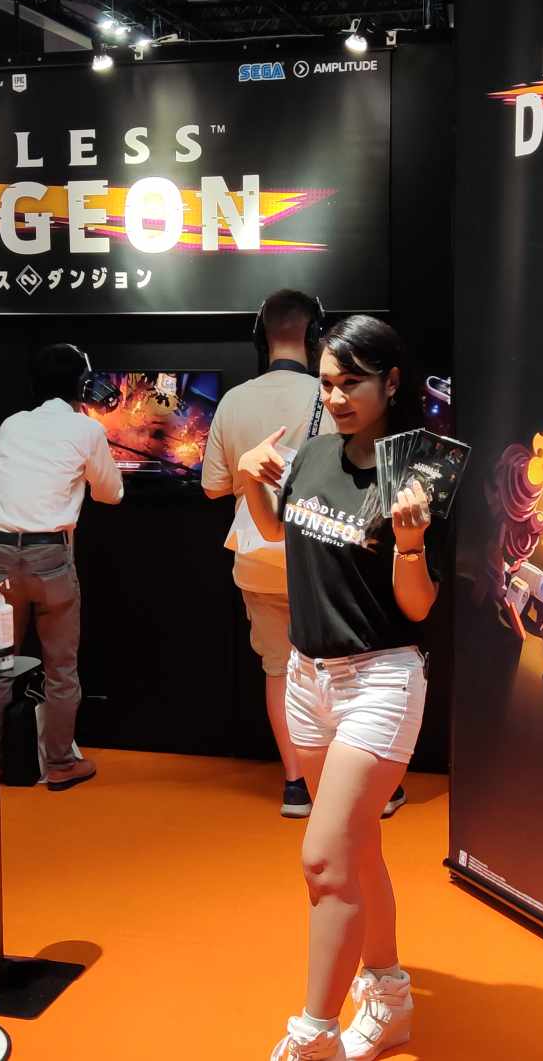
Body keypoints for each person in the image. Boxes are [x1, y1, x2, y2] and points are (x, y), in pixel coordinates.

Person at [237, 314, 438, 1061]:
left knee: (324, 860)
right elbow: (278, 533)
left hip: (379, 678)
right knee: (357, 849)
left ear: (392, 381)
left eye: (353, 382)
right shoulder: (315, 453)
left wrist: (411, 544)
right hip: (306, 677)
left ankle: (314, 1035)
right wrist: (252, 481)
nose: (338, 396)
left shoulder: (418, 470)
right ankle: (388, 996)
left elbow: (418, 605)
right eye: (327, 383)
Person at [203, 289, 341, 818]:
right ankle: (341, 785)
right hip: (321, 560)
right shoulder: (334, 396)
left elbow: (213, 486)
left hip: (257, 562)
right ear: (316, 336)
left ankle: (295, 785)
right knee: (336, 670)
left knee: (279, 669)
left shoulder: (234, 401)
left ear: (260, 338)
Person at [0, 343, 125, 791]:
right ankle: (61, 763)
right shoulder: (87, 429)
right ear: (83, 384)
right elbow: (112, 494)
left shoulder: (12, 424)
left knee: (0, 662)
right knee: (60, 667)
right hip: (49, 557)